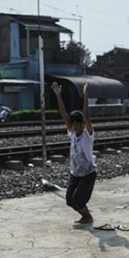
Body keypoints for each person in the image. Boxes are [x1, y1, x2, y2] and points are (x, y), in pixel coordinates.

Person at [51, 81, 96, 224]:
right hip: (75, 173)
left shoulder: (88, 135)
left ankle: (88, 216)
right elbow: (64, 114)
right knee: (69, 200)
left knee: (78, 198)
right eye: (74, 123)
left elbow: (87, 116)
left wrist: (86, 96)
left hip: (88, 173)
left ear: (83, 124)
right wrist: (58, 95)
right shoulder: (72, 133)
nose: (76, 126)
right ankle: (84, 215)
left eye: (79, 123)